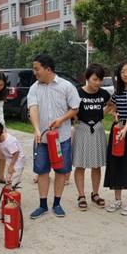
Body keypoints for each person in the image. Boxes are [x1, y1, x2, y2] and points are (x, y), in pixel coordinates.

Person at [27, 54, 80, 219]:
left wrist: (62, 120)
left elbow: (75, 108)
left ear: (47, 69)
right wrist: (36, 129)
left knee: (61, 171)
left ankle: (57, 204)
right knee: (42, 171)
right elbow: (33, 108)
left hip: (61, 138)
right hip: (41, 140)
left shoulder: (66, 86)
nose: (34, 72)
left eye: (37, 69)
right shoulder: (34, 88)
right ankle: (43, 205)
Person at [72, 64, 110, 211]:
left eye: (100, 80)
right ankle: (81, 196)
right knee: (80, 164)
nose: (98, 83)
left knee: (96, 165)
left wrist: (103, 113)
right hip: (82, 129)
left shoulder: (104, 94)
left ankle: (95, 194)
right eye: (95, 79)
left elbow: (111, 104)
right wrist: (75, 117)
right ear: (87, 78)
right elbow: (70, 107)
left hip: (98, 130)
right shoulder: (77, 93)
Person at [103, 61, 127, 216]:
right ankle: (117, 200)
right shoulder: (116, 93)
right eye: (123, 71)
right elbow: (111, 107)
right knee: (116, 163)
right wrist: (114, 113)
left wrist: (126, 128)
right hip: (118, 129)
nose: (126, 74)